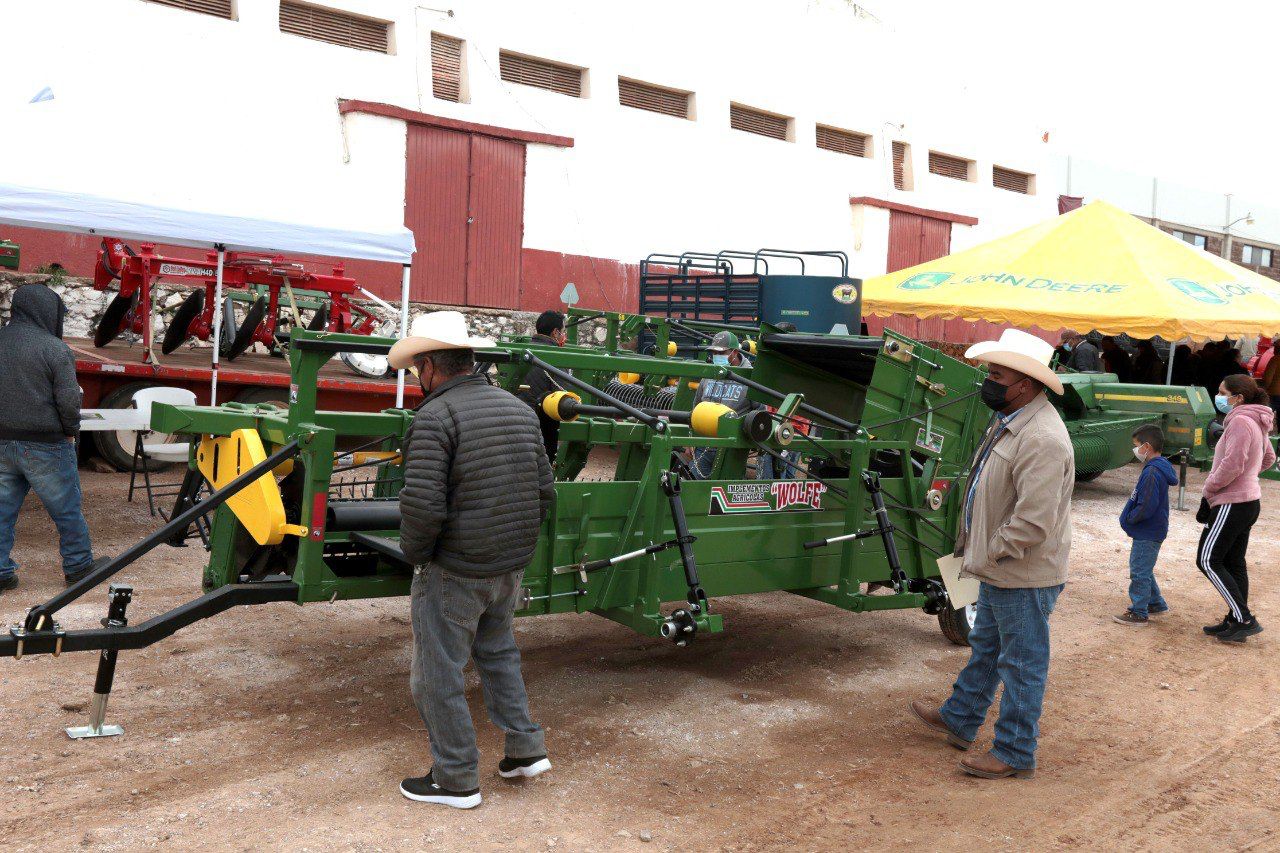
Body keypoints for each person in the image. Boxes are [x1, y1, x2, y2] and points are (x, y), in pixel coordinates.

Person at [388, 311, 555, 809]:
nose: (419, 378)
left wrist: (416, 558)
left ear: (433, 366)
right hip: (508, 566)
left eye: (419, 368)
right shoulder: (520, 411)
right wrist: (516, 549)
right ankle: (526, 749)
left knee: (436, 673)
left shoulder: (435, 418)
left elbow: (422, 507)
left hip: (456, 569)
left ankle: (456, 777)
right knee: (498, 653)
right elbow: (544, 490)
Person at [909, 329, 1073, 780]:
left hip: (1021, 572)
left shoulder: (1040, 437)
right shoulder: (1012, 421)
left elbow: (1032, 522)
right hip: (1002, 567)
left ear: (1025, 382)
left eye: (996, 374)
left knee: (1021, 665)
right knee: (987, 648)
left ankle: (1015, 752)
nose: (989, 381)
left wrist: (986, 552)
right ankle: (961, 718)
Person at [0, 283, 101, 594]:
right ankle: (78, 566)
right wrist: (71, 432)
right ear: (46, 312)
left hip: (2, 442)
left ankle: (1, 571)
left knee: (2, 510)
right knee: (66, 509)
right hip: (45, 443)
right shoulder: (55, 349)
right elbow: (69, 401)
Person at [1196, 374, 1275, 644]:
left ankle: (1244, 618)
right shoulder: (1256, 419)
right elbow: (1268, 457)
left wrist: (1210, 488)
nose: (1218, 396)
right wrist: (1249, 478)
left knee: (1207, 559)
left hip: (1232, 501)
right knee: (1232, 561)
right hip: (1247, 501)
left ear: (1238, 397)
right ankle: (1235, 618)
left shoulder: (1241, 420)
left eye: (1222, 392)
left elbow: (1233, 464)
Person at [1112, 425, 1177, 625]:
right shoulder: (1157, 467)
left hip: (1147, 531)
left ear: (1147, 446)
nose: (1136, 450)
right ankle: (1155, 602)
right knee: (1144, 567)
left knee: (1139, 570)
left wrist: (1131, 518)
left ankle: (1139, 612)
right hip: (1152, 530)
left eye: (1137, 446)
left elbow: (1147, 504)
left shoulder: (1151, 473)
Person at [691, 331, 753, 478]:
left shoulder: (750, 378)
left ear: (735, 352)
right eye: (713, 352)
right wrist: (691, 440)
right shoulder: (709, 374)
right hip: (704, 446)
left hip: (732, 449)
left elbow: (759, 413)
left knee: (726, 491)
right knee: (693, 486)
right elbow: (696, 407)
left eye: (721, 352)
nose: (716, 356)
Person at [515, 310, 568, 464]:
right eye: (563, 331)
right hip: (540, 425)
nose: (564, 335)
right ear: (555, 332)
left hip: (514, 418)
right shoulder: (557, 357)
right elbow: (561, 395)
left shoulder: (522, 351)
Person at [1262, 337, 1280, 418]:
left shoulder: (1275, 359)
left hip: (1274, 394)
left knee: (1266, 418)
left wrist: (1264, 390)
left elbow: (1267, 379)